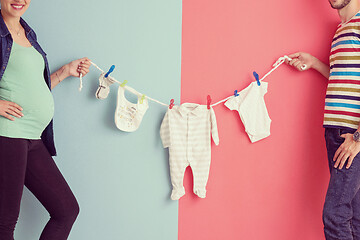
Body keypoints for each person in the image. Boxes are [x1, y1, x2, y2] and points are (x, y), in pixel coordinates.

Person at [0, 0, 91, 239]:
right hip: (8, 134)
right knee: (4, 223)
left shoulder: (28, 33)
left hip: (32, 137)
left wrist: (65, 71)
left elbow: (32, 86)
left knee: (66, 210)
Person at [286, 0, 360, 239]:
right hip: (335, 130)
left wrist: (358, 137)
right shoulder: (342, 29)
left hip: (352, 133)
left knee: (335, 215)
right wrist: (315, 63)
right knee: (354, 215)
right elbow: (344, 77)